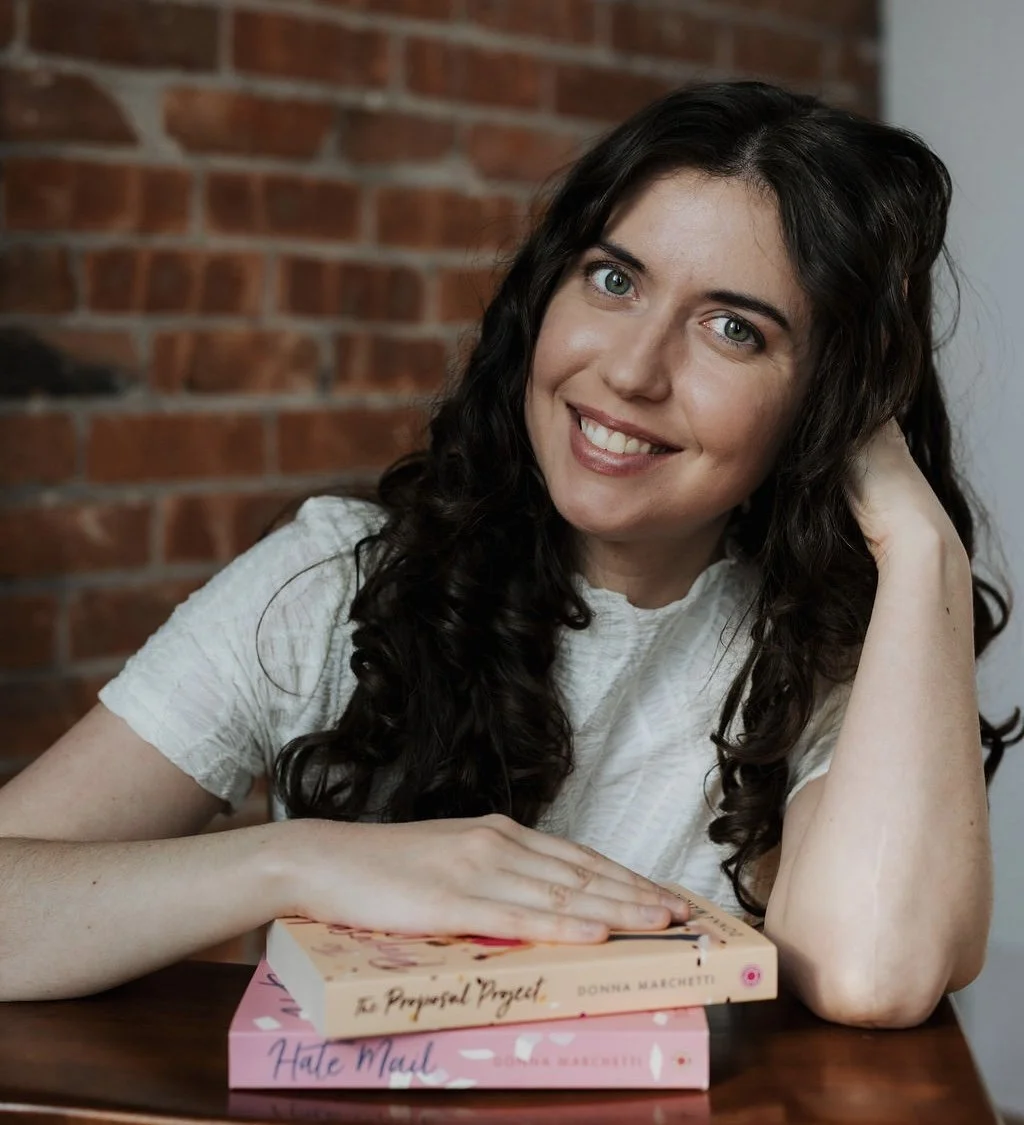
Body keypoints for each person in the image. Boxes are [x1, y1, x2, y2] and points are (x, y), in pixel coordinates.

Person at [0, 81, 1018, 1029]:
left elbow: (877, 973)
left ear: (824, 402)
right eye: (613, 279)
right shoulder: (335, 581)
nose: (628, 369)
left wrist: (917, 540)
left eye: (731, 330)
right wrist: (298, 862)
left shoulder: (831, 651)